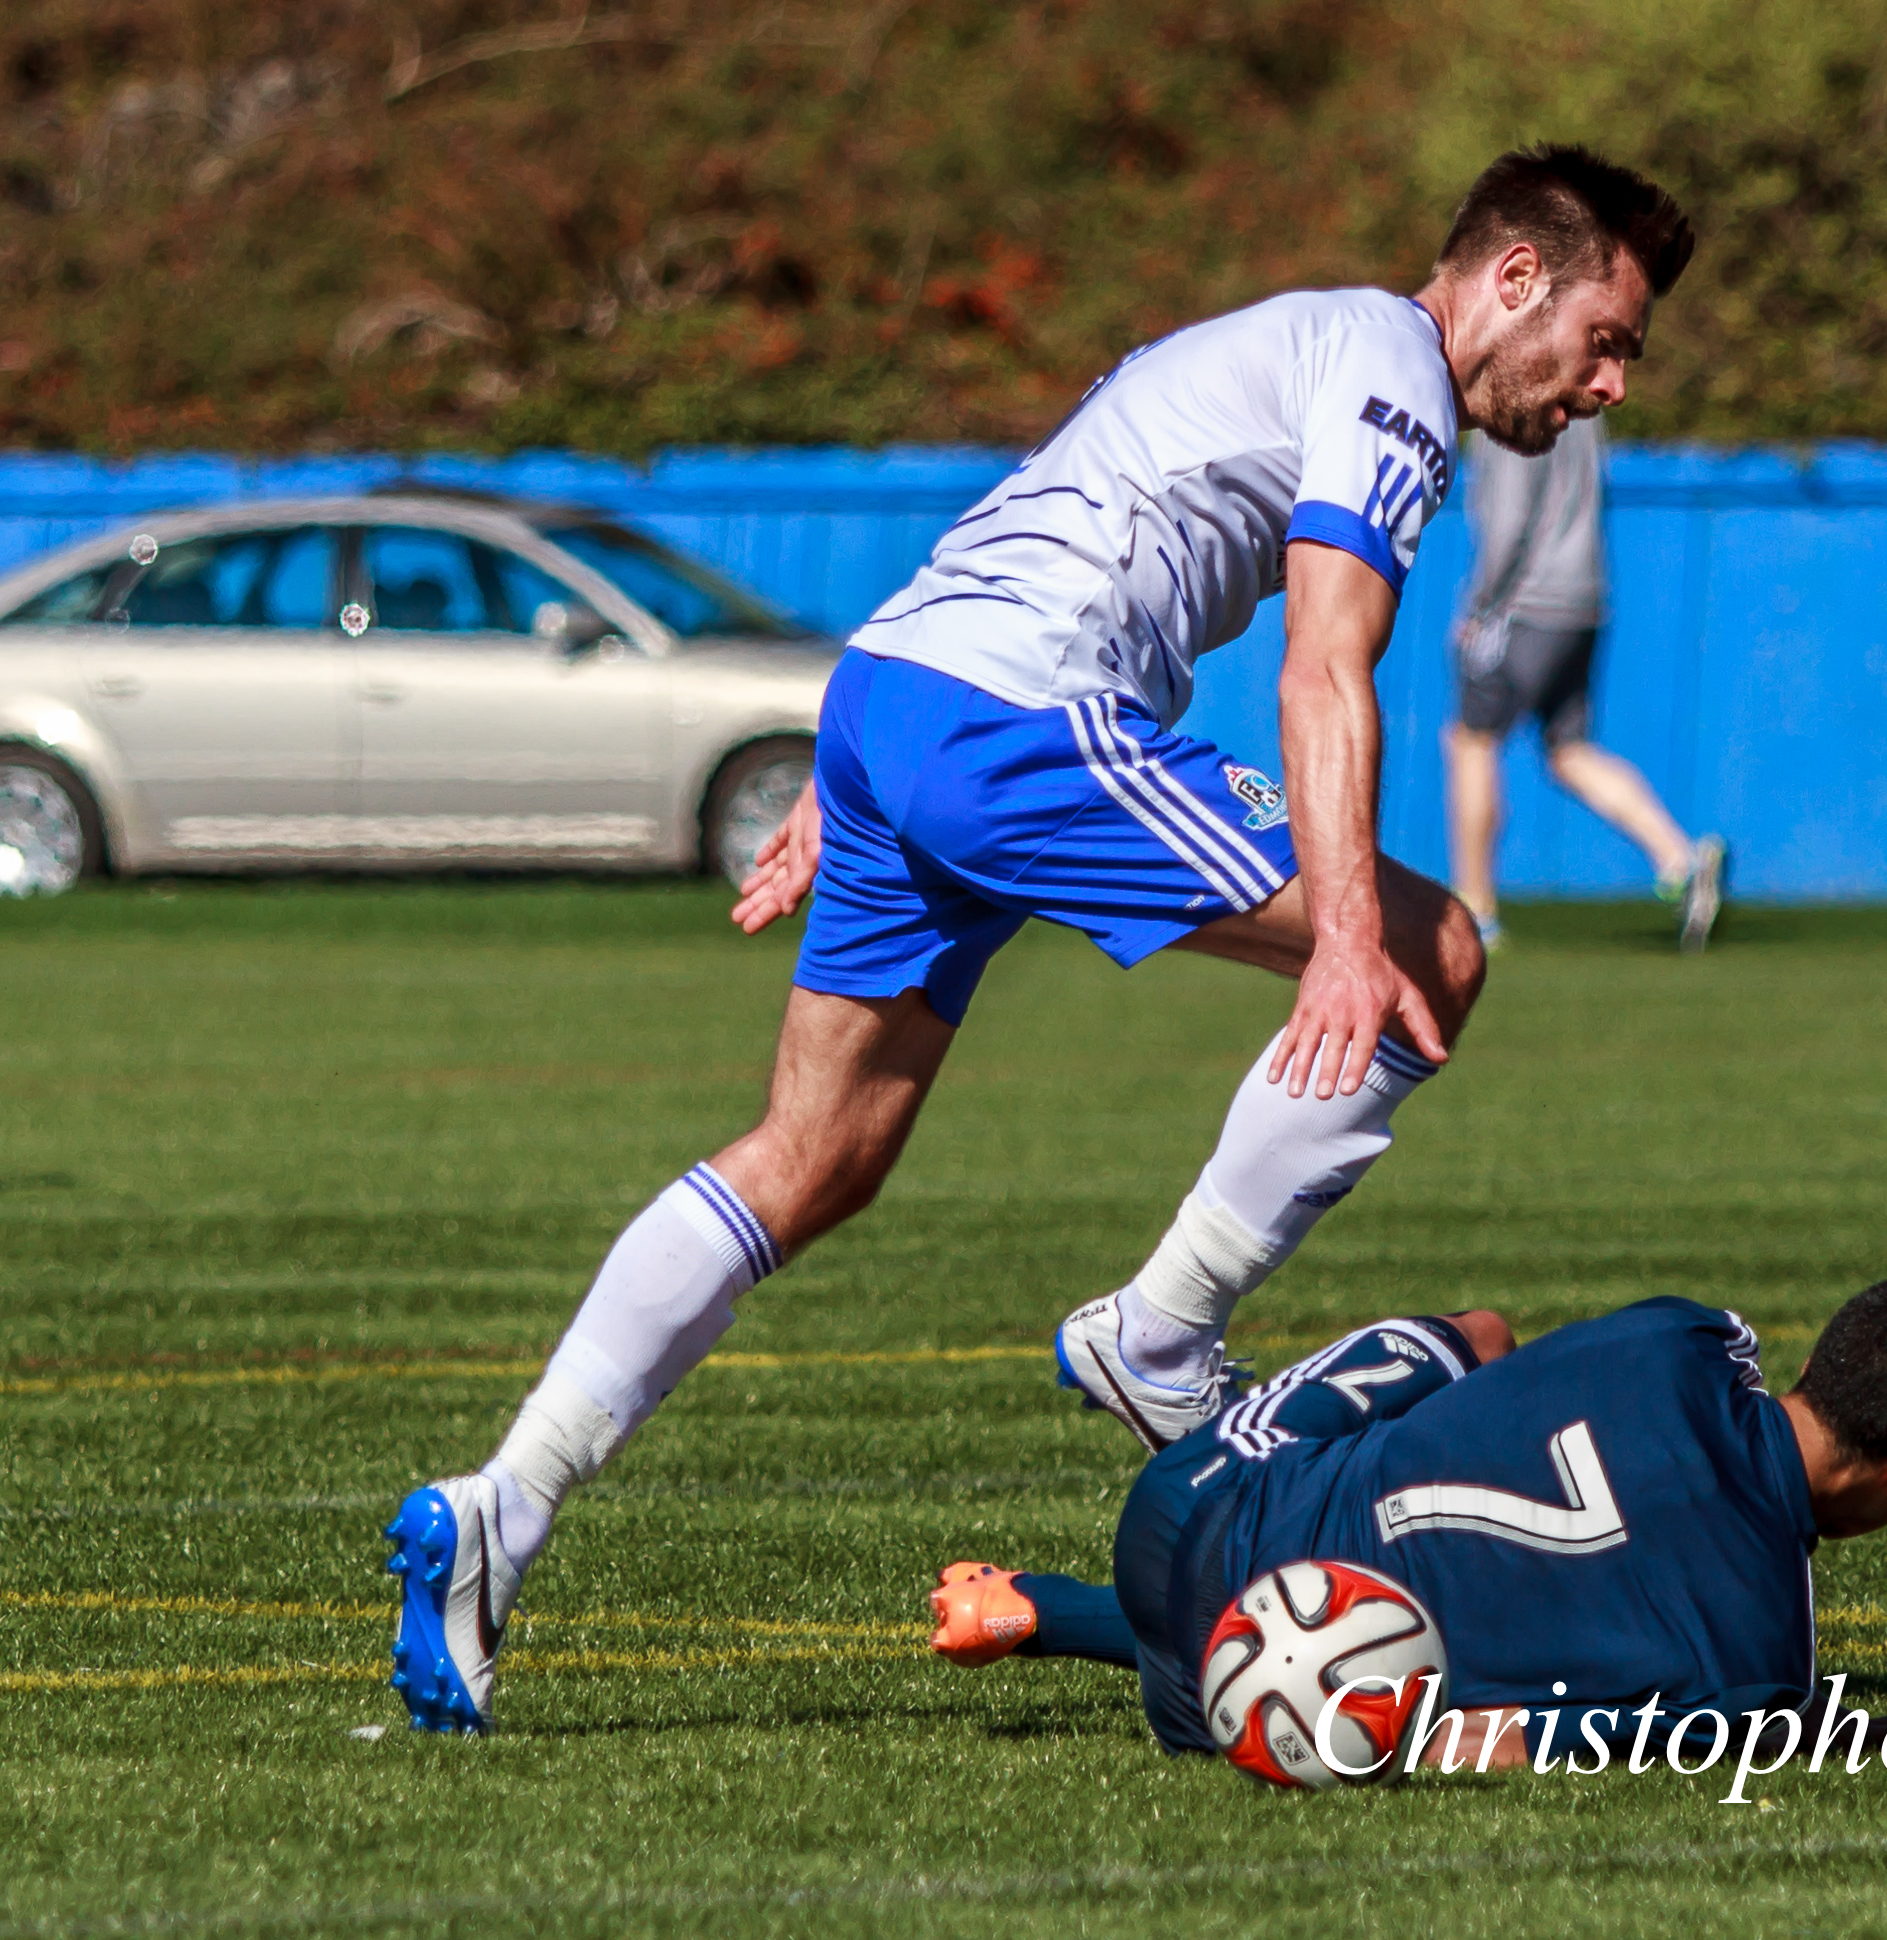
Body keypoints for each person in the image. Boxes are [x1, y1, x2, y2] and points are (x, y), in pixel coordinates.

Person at [383, 144, 1698, 1735]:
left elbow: (1031, 511)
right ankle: (1162, 1335)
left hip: (900, 698)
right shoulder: (1394, 376)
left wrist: (866, 775)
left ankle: (500, 1510)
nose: (1609, 383)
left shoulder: (1275, 338)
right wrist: (1350, 936)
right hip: (1015, 725)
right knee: (1433, 957)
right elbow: (1323, 663)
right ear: (1510, 282)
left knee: (816, 1157)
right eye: (1607, 338)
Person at [929, 1271, 1887, 1771]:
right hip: (1250, 1711)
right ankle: (1069, 1612)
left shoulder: (1690, 1337)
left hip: (1187, 1495)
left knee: (1483, 1333)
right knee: (1412, 1650)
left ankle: (1047, 1606)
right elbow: (1497, 1742)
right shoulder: (1759, 1670)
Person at [1447, 415, 1727, 952]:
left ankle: (1476, 910)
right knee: (1568, 752)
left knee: (1472, 741)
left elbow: (1508, 521)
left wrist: (1481, 606)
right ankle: (1680, 860)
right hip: (1583, 603)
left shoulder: (1509, 407)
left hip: (1524, 606)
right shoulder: (1581, 405)